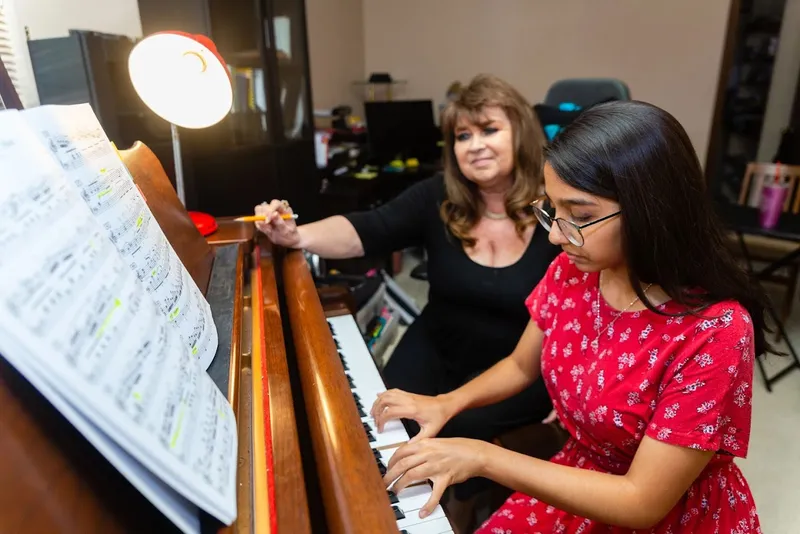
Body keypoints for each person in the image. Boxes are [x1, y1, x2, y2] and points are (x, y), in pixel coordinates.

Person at [371, 100, 770, 533]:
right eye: (552, 210)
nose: (556, 234)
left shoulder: (717, 331)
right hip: (578, 477)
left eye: (579, 216)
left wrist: (484, 457)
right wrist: (444, 404)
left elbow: (641, 502)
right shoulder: (573, 271)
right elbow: (520, 364)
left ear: (651, 211)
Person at [254, 74, 559, 454]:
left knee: (451, 435)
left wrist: (572, 386)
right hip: (439, 344)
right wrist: (295, 236)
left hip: (520, 368)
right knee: (386, 415)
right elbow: (368, 228)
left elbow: (598, 305)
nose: (475, 145)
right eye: (463, 136)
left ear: (520, 133)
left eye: (489, 130)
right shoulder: (437, 196)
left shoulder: (557, 210)